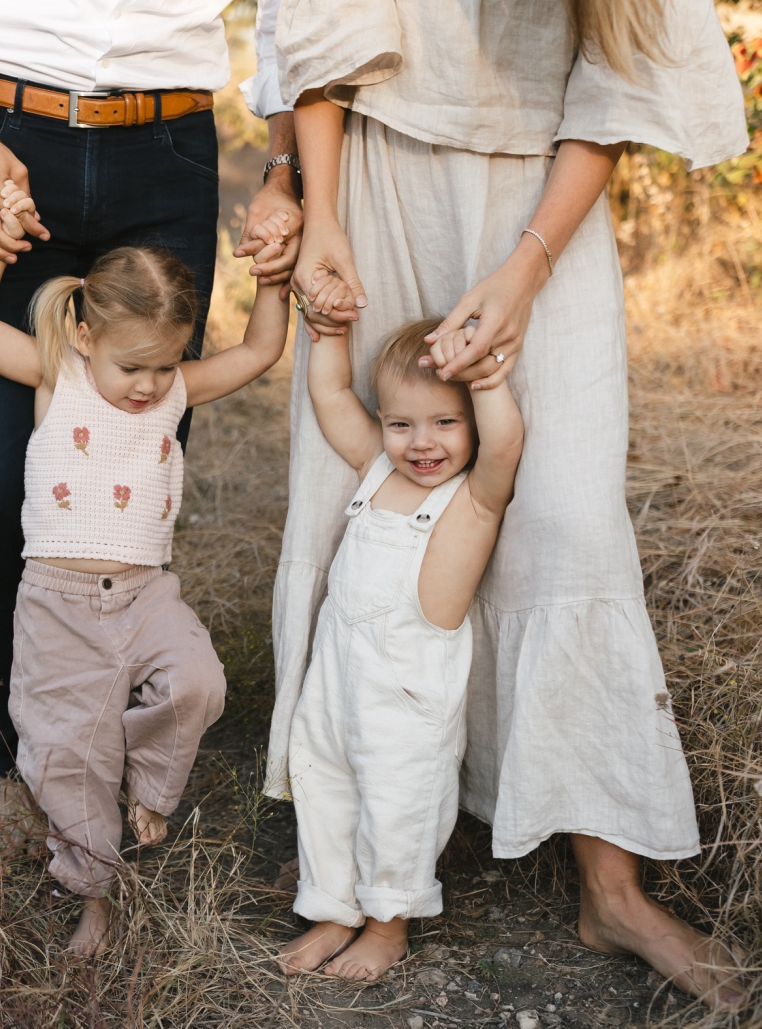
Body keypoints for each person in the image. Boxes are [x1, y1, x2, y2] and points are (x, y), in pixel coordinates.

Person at [254, 0, 751, 1007]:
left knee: (568, 518)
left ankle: (611, 891)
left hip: (543, 191)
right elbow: (315, 25)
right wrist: (323, 212)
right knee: (360, 485)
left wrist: (527, 267)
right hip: (374, 167)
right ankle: (346, 872)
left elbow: (621, 69)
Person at [0, 0, 305, 816]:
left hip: (169, 151)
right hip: (5, 135)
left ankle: (98, 742)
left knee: (128, 492)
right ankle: (23, 763)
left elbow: (287, 13)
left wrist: (283, 170)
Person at [0, 183, 292, 956]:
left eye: (166, 364)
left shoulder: (171, 391)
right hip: (58, 607)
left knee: (199, 681)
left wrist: (274, 278)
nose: (148, 384)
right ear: (82, 333)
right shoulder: (57, 376)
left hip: (145, 596)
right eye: (133, 365)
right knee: (71, 763)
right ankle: (95, 899)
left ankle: (152, 789)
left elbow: (259, 351)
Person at [277, 319, 522, 979]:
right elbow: (329, 392)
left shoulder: (473, 500)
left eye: (446, 422)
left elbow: (505, 444)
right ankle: (333, 906)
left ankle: (388, 925)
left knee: (397, 800)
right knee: (324, 781)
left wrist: (488, 376)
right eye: (402, 424)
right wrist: (326, 322)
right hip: (337, 675)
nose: (422, 443)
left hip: (408, 689)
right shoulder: (375, 470)